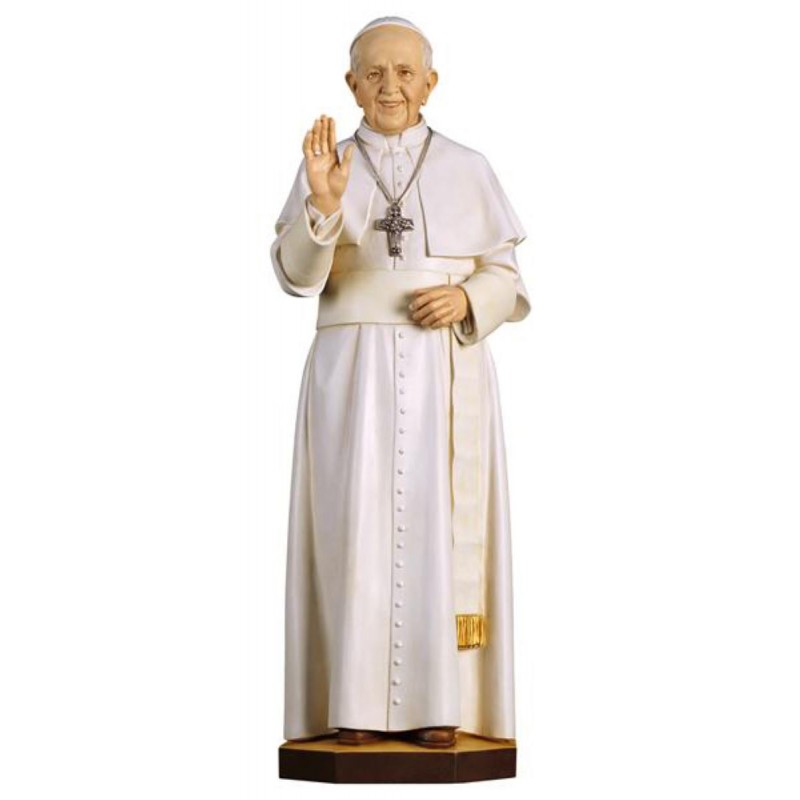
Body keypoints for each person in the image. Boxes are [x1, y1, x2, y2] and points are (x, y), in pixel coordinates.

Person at [270, 17, 530, 749]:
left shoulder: (468, 167)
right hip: (349, 378)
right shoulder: (328, 165)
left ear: (430, 83)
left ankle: (441, 705)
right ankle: (350, 707)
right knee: (349, 527)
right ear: (351, 84)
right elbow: (295, 277)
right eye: (375, 73)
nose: (391, 87)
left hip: (445, 371)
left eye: (405, 72)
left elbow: (507, 279)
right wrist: (324, 206)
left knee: (438, 527)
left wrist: (468, 298)